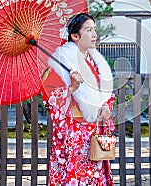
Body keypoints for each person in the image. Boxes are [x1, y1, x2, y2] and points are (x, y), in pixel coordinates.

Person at [41, 13, 115, 186]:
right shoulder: (60, 64)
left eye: (94, 29)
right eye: (89, 30)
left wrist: (106, 105)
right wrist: (72, 87)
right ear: (75, 36)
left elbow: (107, 92)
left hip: (95, 130)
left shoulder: (95, 62)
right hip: (73, 134)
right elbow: (50, 101)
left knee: (95, 175)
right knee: (74, 177)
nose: (95, 35)